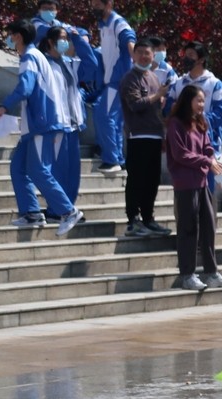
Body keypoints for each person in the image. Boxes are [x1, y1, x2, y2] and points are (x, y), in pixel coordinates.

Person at [0, 19, 84, 234]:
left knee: (38, 169)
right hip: (36, 124)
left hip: (42, 123)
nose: (8, 38)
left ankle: (68, 211)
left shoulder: (30, 56)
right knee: (18, 167)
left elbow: (25, 88)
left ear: (17, 36)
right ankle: (31, 213)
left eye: (10, 34)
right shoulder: (36, 55)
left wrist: (3, 106)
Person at [166, 84, 222, 291]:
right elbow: (180, 154)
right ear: (188, 101)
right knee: (188, 228)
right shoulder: (176, 124)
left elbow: (207, 147)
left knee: (208, 227)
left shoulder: (200, 122)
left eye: (204, 100)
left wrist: (212, 161)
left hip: (203, 182)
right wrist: (206, 160)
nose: (202, 104)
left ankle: (211, 272)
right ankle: (187, 275)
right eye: (199, 100)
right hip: (185, 184)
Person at [119, 39, 169, 238]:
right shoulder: (130, 78)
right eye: (140, 52)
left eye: (148, 53)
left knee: (152, 180)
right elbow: (135, 104)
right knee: (136, 179)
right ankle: (133, 220)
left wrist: (163, 134)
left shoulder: (154, 77)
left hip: (155, 135)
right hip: (137, 135)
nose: (144, 56)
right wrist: (158, 96)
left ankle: (148, 218)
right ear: (134, 55)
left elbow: (157, 109)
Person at [40, 26, 85, 214]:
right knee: (58, 170)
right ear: (50, 41)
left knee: (73, 172)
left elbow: (91, 64)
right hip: (57, 125)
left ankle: (69, 208)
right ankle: (56, 209)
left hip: (73, 125)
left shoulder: (69, 63)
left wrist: (79, 38)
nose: (66, 42)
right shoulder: (44, 64)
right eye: (62, 38)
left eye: (67, 38)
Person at [90, 0, 134, 175]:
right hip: (113, 81)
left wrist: (142, 70)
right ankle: (119, 160)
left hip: (119, 81)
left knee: (103, 114)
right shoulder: (103, 25)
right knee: (114, 122)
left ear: (109, 4)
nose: (94, 7)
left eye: (97, 4)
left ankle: (111, 159)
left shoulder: (118, 23)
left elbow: (130, 43)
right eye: (92, 4)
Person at [167, 41, 222, 156]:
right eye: (185, 55)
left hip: (207, 145)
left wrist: (199, 122)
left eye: (191, 55)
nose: (186, 58)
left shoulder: (214, 84)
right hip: (182, 142)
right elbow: (168, 108)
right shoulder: (179, 83)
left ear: (201, 59)